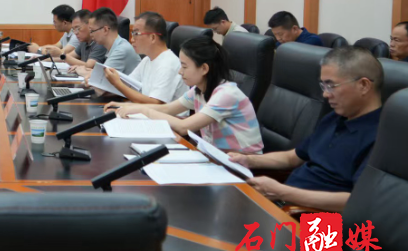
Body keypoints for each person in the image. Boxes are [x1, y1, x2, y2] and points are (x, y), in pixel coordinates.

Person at [228, 46, 383, 212]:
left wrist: (282, 192)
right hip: (286, 204)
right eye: (323, 86)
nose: (325, 94)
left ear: (363, 85)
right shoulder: (335, 117)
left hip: (325, 221)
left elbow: (358, 202)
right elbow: (292, 158)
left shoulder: (383, 137)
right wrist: (249, 160)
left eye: (331, 85)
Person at [106, 37, 264, 154]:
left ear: (204, 68)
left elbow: (184, 127)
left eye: (184, 66)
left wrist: (144, 110)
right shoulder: (198, 90)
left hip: (242, 166)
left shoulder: (226, 95)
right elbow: (168, 109)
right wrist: (127, 106)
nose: (180, 72)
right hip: (216, 157)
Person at [105, 11, 188, 104]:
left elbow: (155, 103)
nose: (132, 39)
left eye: (136, 34)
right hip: (144, 111)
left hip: (160, 113)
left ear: (152, 37)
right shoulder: (147, 60)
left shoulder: (169, 64)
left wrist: (118, 84)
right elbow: (129, 85)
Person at [74, 8, 140, 77]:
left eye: (92, 31)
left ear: (105, 30)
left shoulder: (121, 50)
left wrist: (81, 71)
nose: (91, 35)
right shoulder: (112, 47)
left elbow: (102, 77)